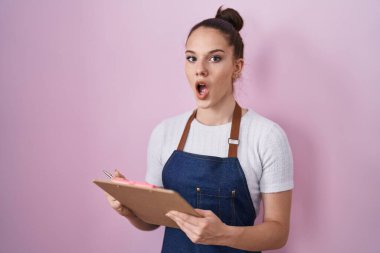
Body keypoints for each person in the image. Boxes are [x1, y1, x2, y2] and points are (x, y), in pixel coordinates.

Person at [106, 6, 293, 253]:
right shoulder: (165, 132)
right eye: (191, 57)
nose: (200, 69)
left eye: (214, 58)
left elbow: (278, 232)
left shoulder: (267, 136)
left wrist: (225, 235)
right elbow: (153, 221)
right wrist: (129, 210)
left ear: (237, 67)